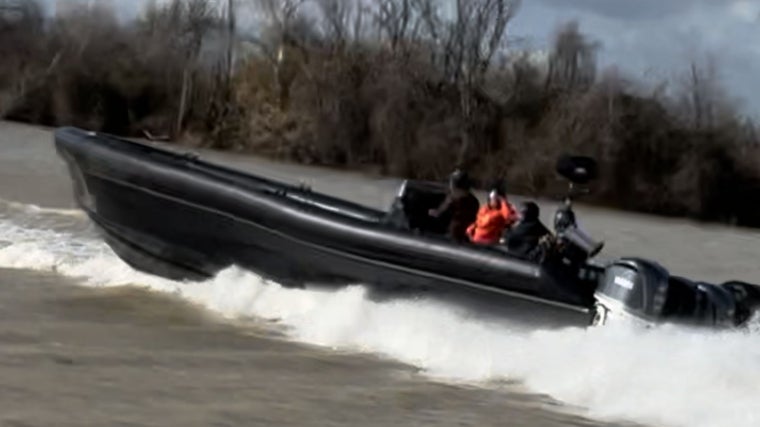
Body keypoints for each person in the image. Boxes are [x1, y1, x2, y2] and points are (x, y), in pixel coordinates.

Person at [428, 169, 480, 242]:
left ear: (454, 184)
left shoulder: (453, 199)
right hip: (467, 235)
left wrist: (430, 212)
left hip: (453, 235)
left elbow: (439, 214)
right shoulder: (474, 201)